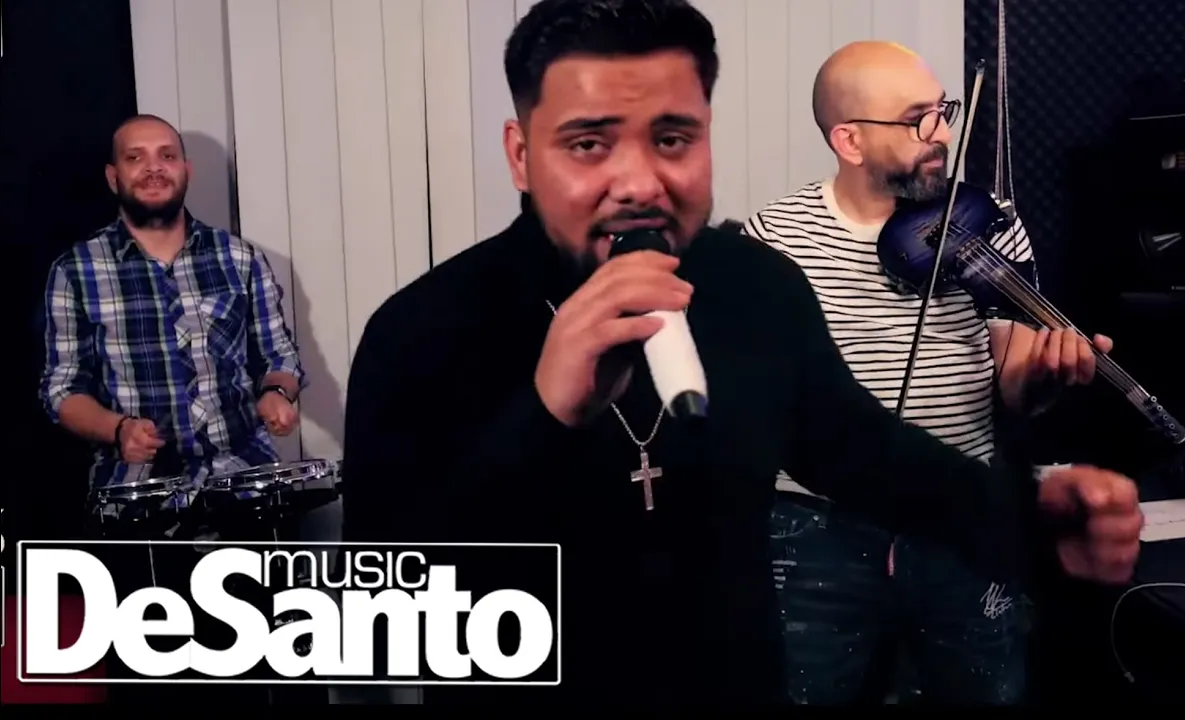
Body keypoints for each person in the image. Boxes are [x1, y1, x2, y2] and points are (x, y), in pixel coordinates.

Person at [342, 0, 1142, 708]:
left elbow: (867, 455)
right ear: (522, 154)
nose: (639, 181)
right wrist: (544, 417)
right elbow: (374, 622)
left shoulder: (756, 285)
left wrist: (1036, 512)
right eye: (588, 143)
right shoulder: (421, 330)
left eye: (672, 138)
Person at [744, 41, 1115, 705]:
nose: (941, 133)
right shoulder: (777, 236)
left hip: (959, 512)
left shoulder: (988, 224)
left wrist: (1041, 377)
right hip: (817, 527)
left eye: (943, 111)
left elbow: (1011, 382)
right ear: (850, 140)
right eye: (918, 120)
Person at [38, 114, 304, 703]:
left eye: (165, 155)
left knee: (265, 682)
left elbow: (279, 357)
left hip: (243, 493)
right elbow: (60, 390)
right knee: (155, 690)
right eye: (135, 157)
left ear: (185, 170)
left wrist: (278, 394)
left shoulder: (239, 260)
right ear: (114, 177)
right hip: (135, 504)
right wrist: (117, 429)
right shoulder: (75, 272)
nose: (153, 168)